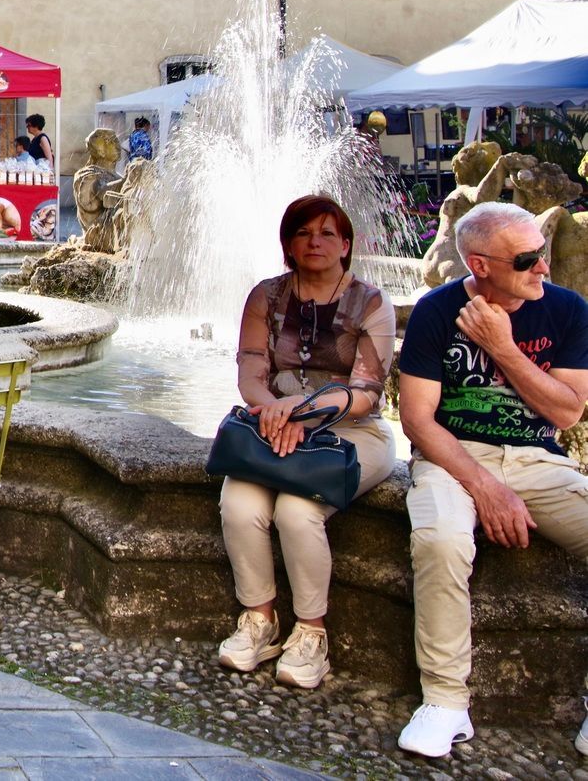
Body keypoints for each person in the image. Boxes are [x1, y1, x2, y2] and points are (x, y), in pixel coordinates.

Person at [393, 202, 588, 759]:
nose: (542, 268)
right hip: (453, 458)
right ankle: (445, 703)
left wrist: (502, 348)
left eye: (542, 253)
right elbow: (417, 421)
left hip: (540, 460)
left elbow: (568, 412)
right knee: (440, 540)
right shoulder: (436, 311)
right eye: (527, 259)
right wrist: (484, 484)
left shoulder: (568, 311)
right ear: (479, 264)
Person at [216, 196, 397, 691]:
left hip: (350, 432)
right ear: (288, 245)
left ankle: (311, 633)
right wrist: (273, 409)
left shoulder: (371, 302)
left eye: (326, 233)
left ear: (345, 244)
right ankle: (260, 621)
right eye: (302, 233)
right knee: (237, 503)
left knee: (298, 511)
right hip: (273, 424)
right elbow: (251, 372)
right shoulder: (267, 296)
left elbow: (365, 391)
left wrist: (303, 412)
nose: (314, 242)